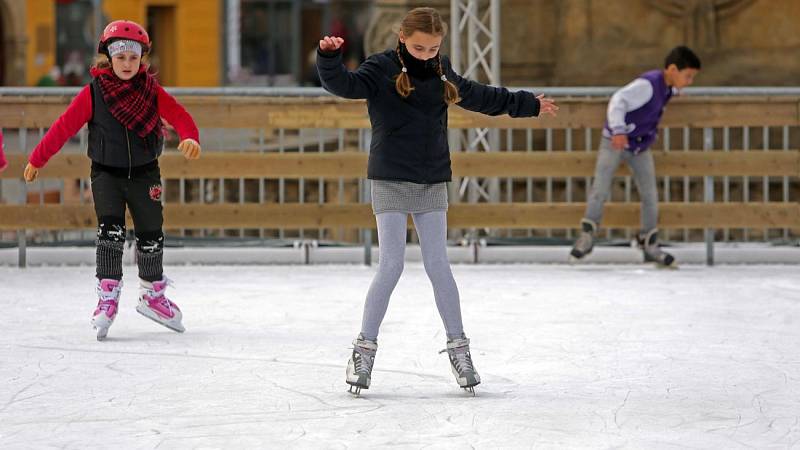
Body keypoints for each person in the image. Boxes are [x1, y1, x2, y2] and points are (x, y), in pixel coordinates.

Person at [317, 7, 558, 394]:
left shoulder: (441, 70)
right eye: (419, 47)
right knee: (391, 266)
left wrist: (525, 104)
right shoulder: (380, 68)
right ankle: (363, 350)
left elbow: (479, 96)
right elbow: (344, 85)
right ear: (401, 38)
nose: (426, 54)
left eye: (433, 48)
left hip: (431, 178)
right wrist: (328, 57)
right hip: (390, 176)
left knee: (438, 265)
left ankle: (459, 349)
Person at [24, 20, 202, 340]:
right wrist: (38, 158)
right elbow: (63, 127)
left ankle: (151, 294)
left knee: (151, 233)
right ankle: (107, 297)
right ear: (108, 58)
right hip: (106, 173)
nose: (127, 64)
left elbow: (180, 116)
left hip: (146, 173)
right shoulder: (94, 93)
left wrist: (191, 137)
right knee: (111, 232)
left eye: (133, 58)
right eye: (120, 57)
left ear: (141, 60)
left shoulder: (151, 91)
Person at [570, 46, 701, 268]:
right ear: (671, 69)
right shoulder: (647, 85)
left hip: (640, 146)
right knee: (600, 189)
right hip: (615, 142)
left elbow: (665, 93)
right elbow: (618, 100)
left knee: (650, 194)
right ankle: (587, 236)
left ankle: (649, 242)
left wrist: (676, 91)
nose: (689, 81)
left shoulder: (667, 87)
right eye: (687, 76)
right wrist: (618, 130)